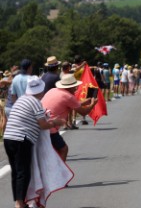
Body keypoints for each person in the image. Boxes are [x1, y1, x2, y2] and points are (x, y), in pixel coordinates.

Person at [3, 76, 65, 208]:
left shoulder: (21, 100)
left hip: (8, 138)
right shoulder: (36, 102)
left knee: (16, 171)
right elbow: (42, 124)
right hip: (21, 138)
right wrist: (55, 122)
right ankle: (20, 204)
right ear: (40, 91)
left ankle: (18, 201)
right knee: (23, 171)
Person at [41, 74, 98, 161]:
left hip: (40, 123)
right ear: (69, 87)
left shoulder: (53, 90)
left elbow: (68, 104)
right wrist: (92, 104)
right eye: (74, 87)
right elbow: (84, 112)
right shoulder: (68, 96)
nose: (76, 89)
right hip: (50, 127)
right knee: (63, 149)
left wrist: (83, 103)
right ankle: (60, 172)